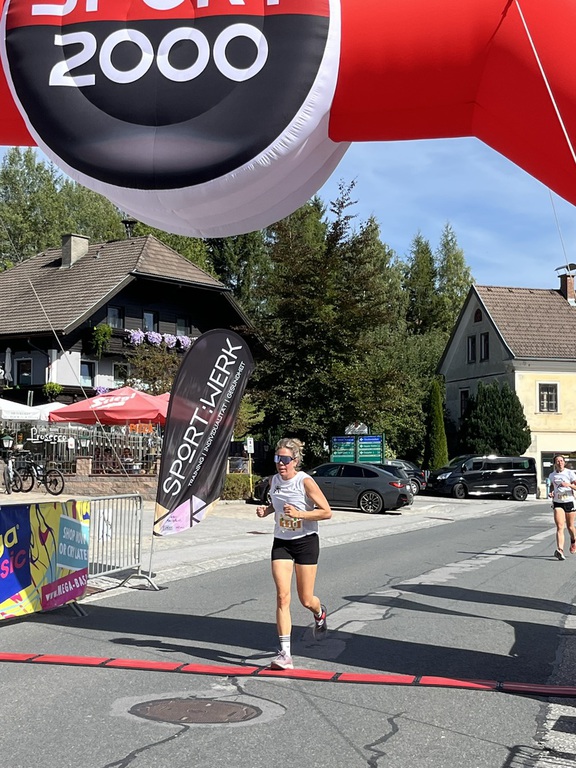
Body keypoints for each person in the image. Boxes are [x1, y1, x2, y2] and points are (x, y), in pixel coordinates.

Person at [256, 437, 332, 670]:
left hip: (306, 542)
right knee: (282, 597)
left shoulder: (305, 481)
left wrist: (300, 514)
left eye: (285, 459)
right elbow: (277, 505)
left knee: (306, 599)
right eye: (278, 458)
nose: (281, 463)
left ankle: (319, 612)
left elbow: (326, 512)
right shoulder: (274, 481)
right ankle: (285, 654)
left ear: (295, 461)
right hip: (282, 542)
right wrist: (267, 510)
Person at [548, 454, 576, 560]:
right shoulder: (552, 475)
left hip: (569, 502)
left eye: (561, 461)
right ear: (555, 463)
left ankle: (573, 540)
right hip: (558, 502)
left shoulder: (570, 473)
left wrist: (569, 485)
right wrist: (551, 493)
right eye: (557, 461)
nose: (560, 463)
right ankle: (560, 550)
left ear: (564, 462)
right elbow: (552, 486)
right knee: (560, 526)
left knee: (570, 527)